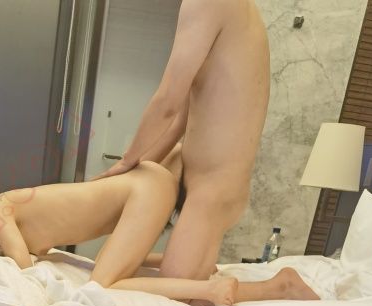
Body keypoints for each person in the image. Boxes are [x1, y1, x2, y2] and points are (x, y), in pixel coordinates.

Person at [0, 144, 318, 306]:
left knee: (105, 284)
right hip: (143, 190)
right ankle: (269, 285)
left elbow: (23, 268)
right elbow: (45, 253)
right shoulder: (6, 218)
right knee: (119, 269)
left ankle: (214, 290)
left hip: (143, 190)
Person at [93, 0, 271, 283]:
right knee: (117, 265)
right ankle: (198, 266)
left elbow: (168, 103)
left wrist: (128, 160)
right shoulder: (239, 12)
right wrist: (136, 167)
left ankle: (279, 285)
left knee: (180, 291)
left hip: (215, 187)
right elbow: (180, 118)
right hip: (197, 170)